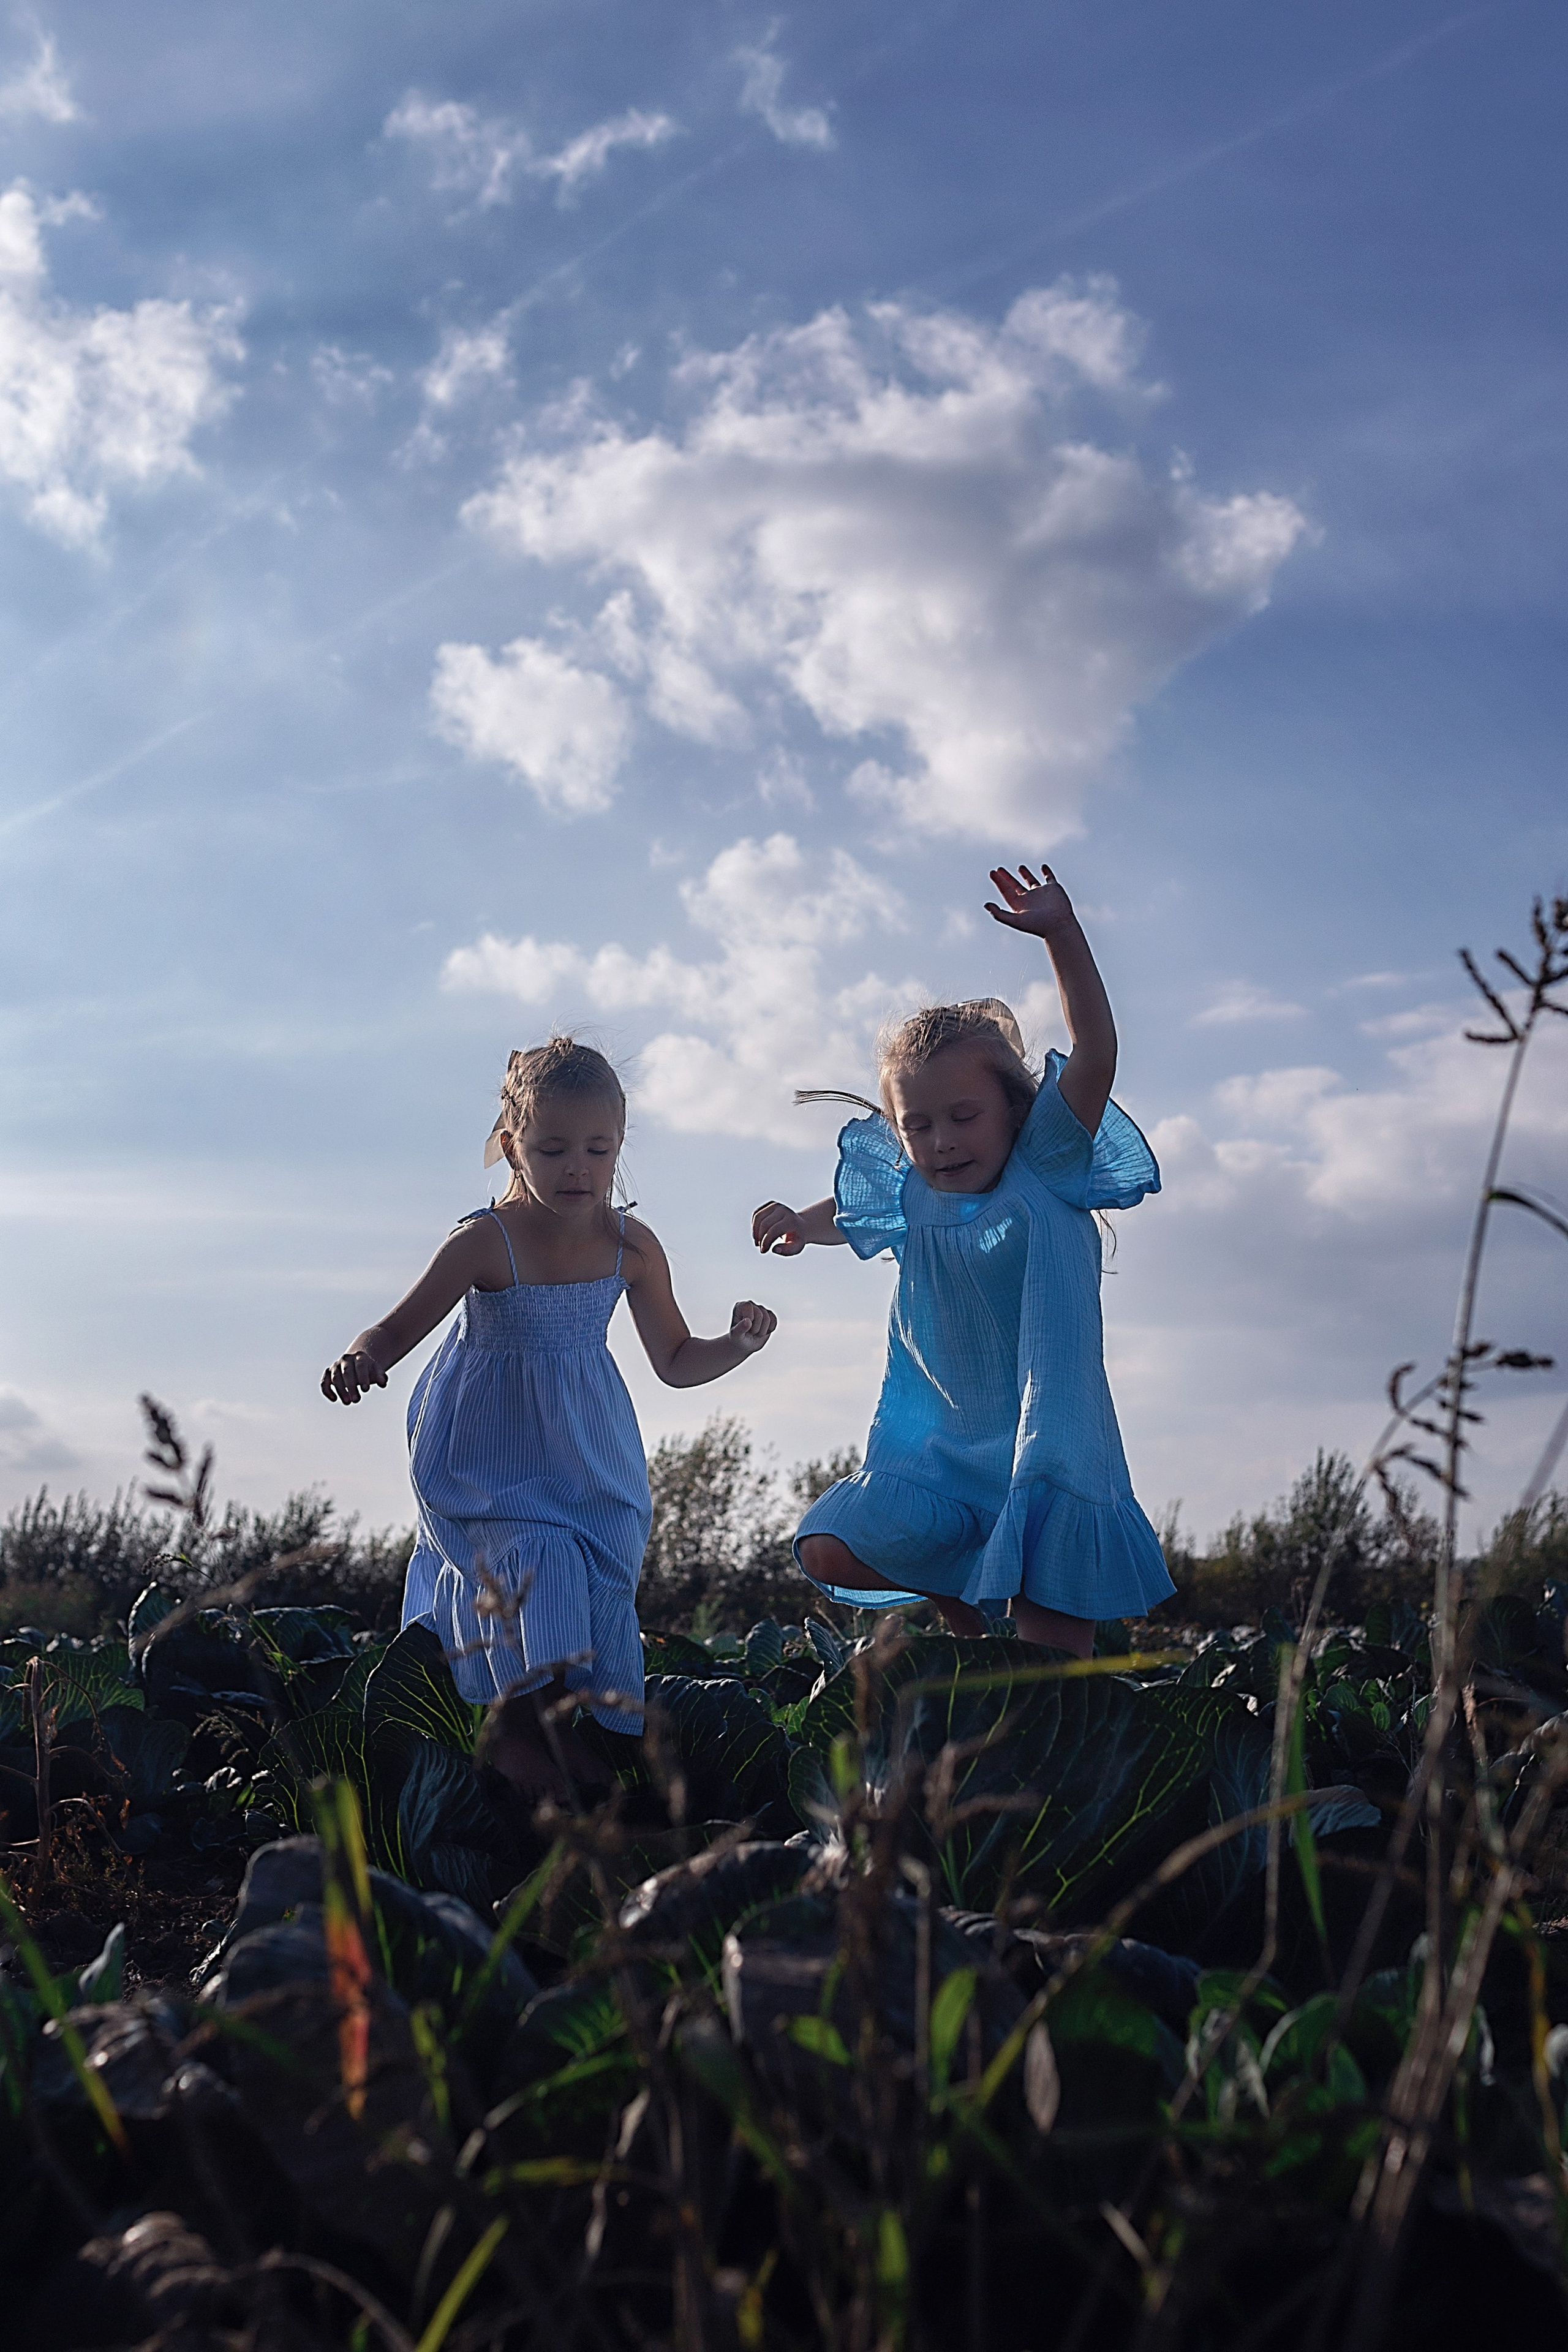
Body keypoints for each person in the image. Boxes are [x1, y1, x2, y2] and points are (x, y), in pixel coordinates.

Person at [322, 1036, 776, 1796]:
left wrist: (736, 1344)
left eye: (598, 1150)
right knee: (540, 1567)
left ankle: (547, 1747)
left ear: (619, 1145)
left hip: (588, 1453)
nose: (578, 1168)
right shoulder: (485, 1241)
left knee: (586, 1586)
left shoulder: (631, 1247)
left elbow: (674, 1359)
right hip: (486, 1454)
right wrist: (360, 1356)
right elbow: (394, 1329)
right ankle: (522, 1748)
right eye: (553, 1149)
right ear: (512, 1148)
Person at [752, 862, 1173, 1659]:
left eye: (964, 1117)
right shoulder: (912, 1190)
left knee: (1049, 1679)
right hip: (939, 1456)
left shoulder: (1044, 1164)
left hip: (1048, 1448)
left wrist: (1061, 933)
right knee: (829, 1545)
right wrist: (801, 1226)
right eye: (918, 1126)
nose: (941, 1141)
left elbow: (1096, 1051)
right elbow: (851, 1211)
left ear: (1012, 1109)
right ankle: (957, 1600)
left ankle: (1046, 1719)